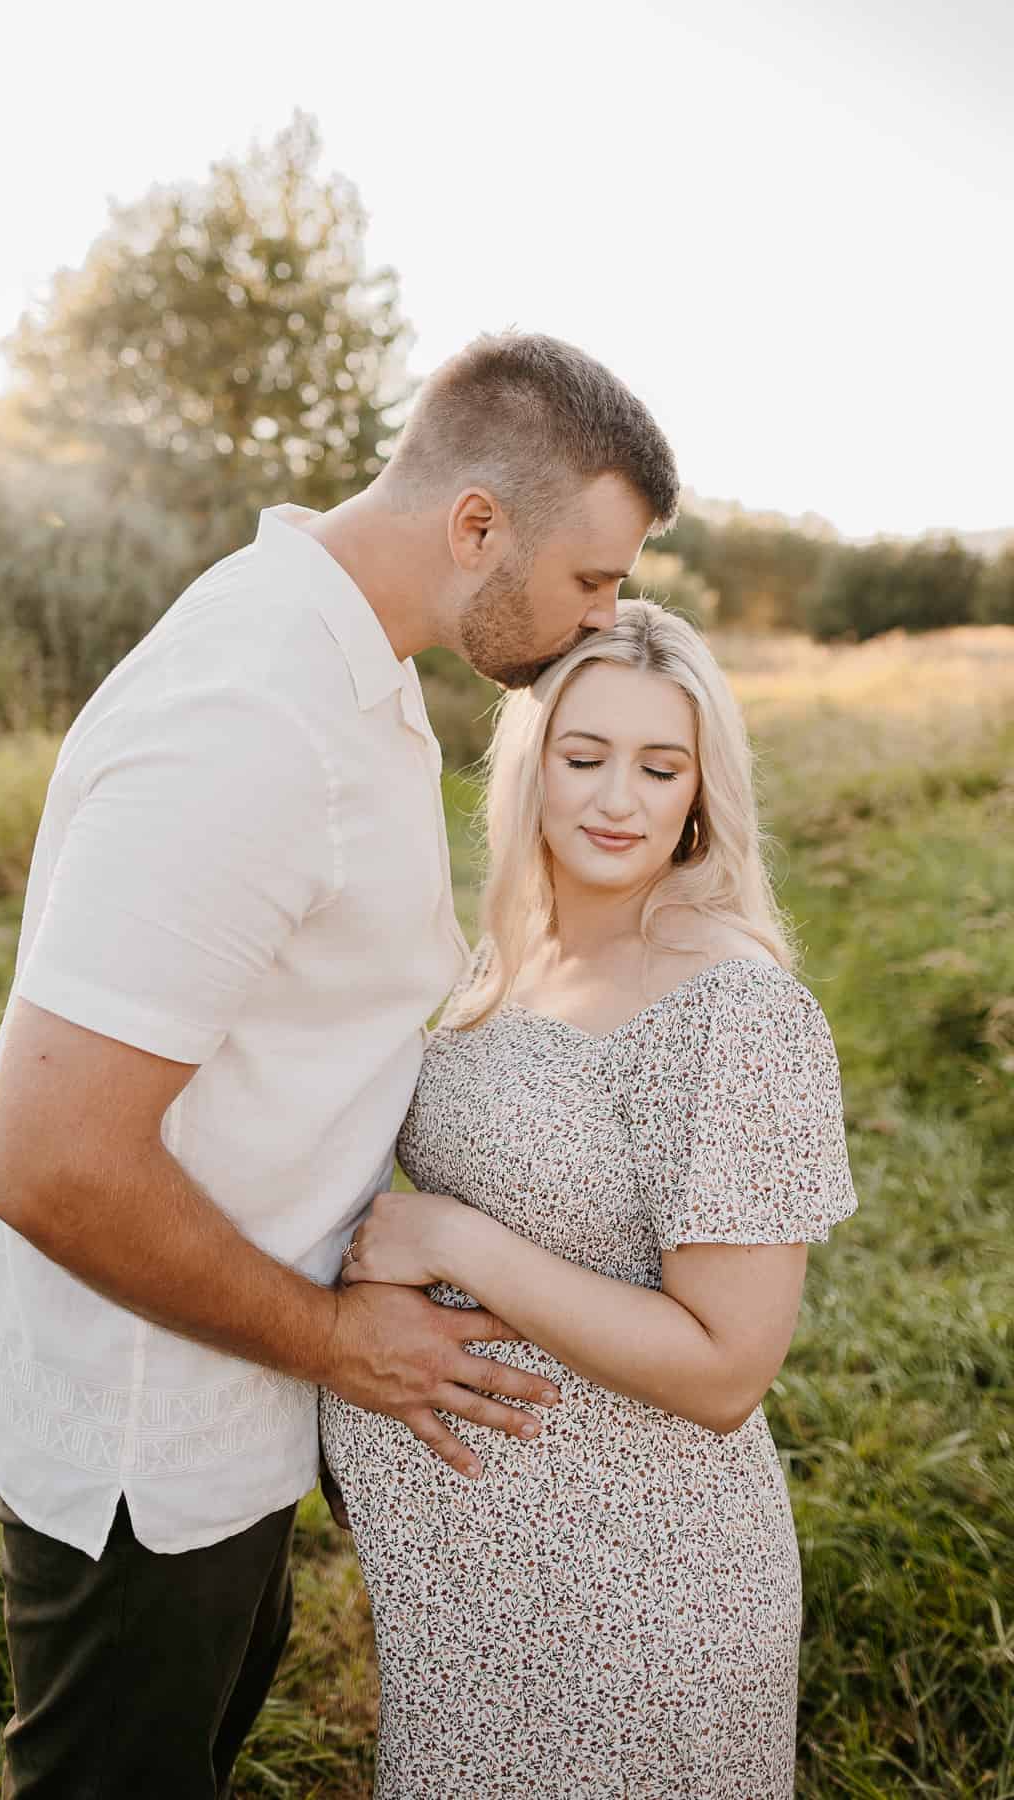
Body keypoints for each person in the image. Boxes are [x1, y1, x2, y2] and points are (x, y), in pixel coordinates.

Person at [0, 333, 681, 1797]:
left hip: (240, 1373)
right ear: (478, 526)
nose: (611, 614)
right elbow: (55, 1163)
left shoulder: (350, 647)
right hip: (154, 1427)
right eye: (594, 578)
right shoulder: (253, 717)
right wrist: (341, 1343)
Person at [321, 599, 859, 1799]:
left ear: (700, 792)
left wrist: (456, 1237)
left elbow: (728, 1371)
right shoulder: (503, 961)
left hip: (638, 1610)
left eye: (659, 766)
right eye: (585, 757)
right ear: (531, 770)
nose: (619, 799)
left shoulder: (733, 1011)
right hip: (469, 1599)